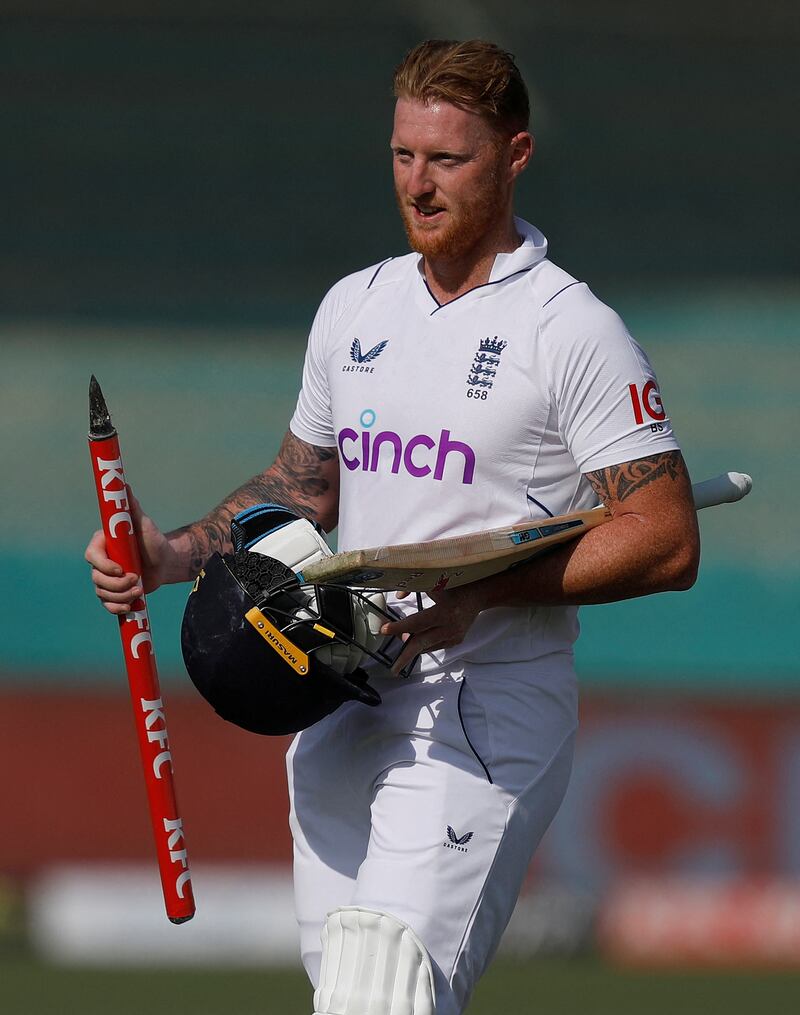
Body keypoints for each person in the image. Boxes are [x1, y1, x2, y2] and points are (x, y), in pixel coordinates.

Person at [86, 39, 700, 1015]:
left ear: (514, 154)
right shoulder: (354, 306)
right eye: (401, 156)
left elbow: (665, 537)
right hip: (338, 693)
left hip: (480, 701)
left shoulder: (568, 328)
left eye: (446, 160)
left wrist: (485, 595)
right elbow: (304, 485)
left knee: (384, 998)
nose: (417, 185)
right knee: (348, 998)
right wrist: (169, 553)